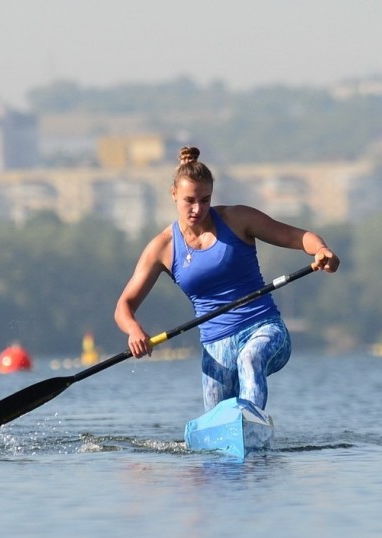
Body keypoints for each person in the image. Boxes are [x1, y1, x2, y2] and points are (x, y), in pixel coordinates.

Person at [114, 146, 339, 412]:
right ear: (173, 194)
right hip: (216, 347)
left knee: (250, 359)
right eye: (189, 200)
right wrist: (134, 330)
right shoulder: (162, 248)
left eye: (205, 200)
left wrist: (321, 250)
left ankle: (251, 419)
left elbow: (297, 237)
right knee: (218, 417)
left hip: (264, 329)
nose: (198, 209)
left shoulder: (237, 219)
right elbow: (124, 306)